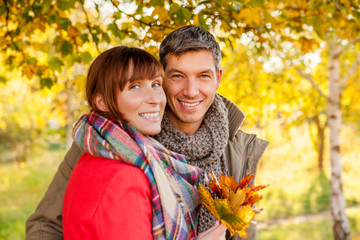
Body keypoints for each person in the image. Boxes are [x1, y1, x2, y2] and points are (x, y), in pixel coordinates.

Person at [26, 25, 268, 240]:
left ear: (218, 78)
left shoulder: (239, 147)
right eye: (177, 76)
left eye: (203, 76)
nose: (191, 91)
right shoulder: (111, 140)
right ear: (161, 78)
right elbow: (46, 226)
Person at [62, 46, 227, 240]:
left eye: (156, 84)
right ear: (102, 102)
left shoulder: (95, 156)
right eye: (135, 87)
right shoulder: (125, 176)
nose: (155, 99)